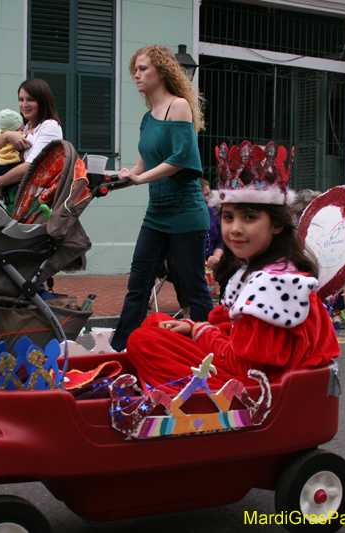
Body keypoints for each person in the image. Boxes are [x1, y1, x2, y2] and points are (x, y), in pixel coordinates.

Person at [125, 156, 339, 394]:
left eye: (250, 217)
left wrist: (199, 331)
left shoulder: (276, 282)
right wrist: (192, 326)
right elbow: (233, 328)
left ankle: (181, 392)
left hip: (257, 384)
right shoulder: (259, 271)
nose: (235, 229)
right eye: (228, 217)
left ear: (277, 225)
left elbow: (246, 367)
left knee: (142, 340)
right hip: (243, 364)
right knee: (156, 323)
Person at [110, 45, 213, 352]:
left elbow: (181, 158)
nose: (137, 75)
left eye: (143, 69)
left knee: (194, 291)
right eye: (135, 71)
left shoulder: (178, 106)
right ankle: (121, 349)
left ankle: (211, 349)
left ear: (162, 71)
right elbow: (144, 164)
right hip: (157, 212)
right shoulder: (147, 118)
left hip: (186, 212)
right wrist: (124, 175)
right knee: (137, 285)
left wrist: (141, 177)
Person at [0, 79, 63, 215]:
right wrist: (7, 136)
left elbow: (31, 166)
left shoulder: (50, 126)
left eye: (30, 99)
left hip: (36, 204)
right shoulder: (24, 127)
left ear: (42, 101)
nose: (24, 105)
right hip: (18, 199)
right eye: (21, 99)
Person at [167, 177, 224, 317]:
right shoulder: (179, 214)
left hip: (210, 257)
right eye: (206, 194)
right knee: (181, 265)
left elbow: (221, 240)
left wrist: (216, 256)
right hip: (182, 257)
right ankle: (188, 311)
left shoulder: (214, 213)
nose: (210, 197)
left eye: (209, 193)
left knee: (231, 264)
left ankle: (225, 305)